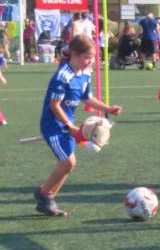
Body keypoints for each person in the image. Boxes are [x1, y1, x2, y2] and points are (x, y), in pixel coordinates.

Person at [34, 35, 122, 216]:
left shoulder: (85, 73)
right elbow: (54, 105)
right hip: (53, 124)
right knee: (68, 161)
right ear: (74, 54)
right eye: (87, 57)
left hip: (68, 124)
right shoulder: (62, 75)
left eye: (92, 58)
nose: (90, 62)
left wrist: (109, 108)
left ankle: (47, 197)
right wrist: (70, 127)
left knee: (68, 165)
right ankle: (44, 195)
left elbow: (87, 97)